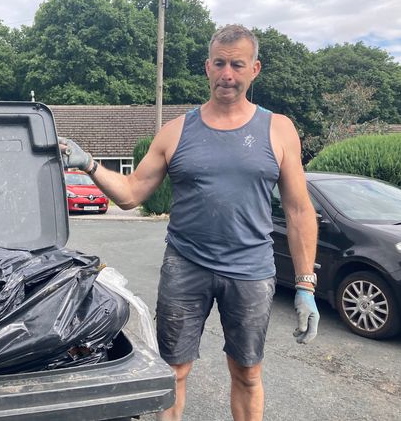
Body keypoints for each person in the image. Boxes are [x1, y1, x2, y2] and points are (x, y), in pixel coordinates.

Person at [59, 24, 319, 421]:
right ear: (207, 67)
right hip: (186, 266)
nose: (227, 74)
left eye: (237, 64)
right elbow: (130, 194)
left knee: (247, 373)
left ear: (255, 69)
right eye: (219, 63)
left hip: (251, 271)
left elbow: (300, 210)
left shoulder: (278, 129)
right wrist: (90, 163)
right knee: (174, 371)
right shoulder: (177, 130)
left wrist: (305, 285)